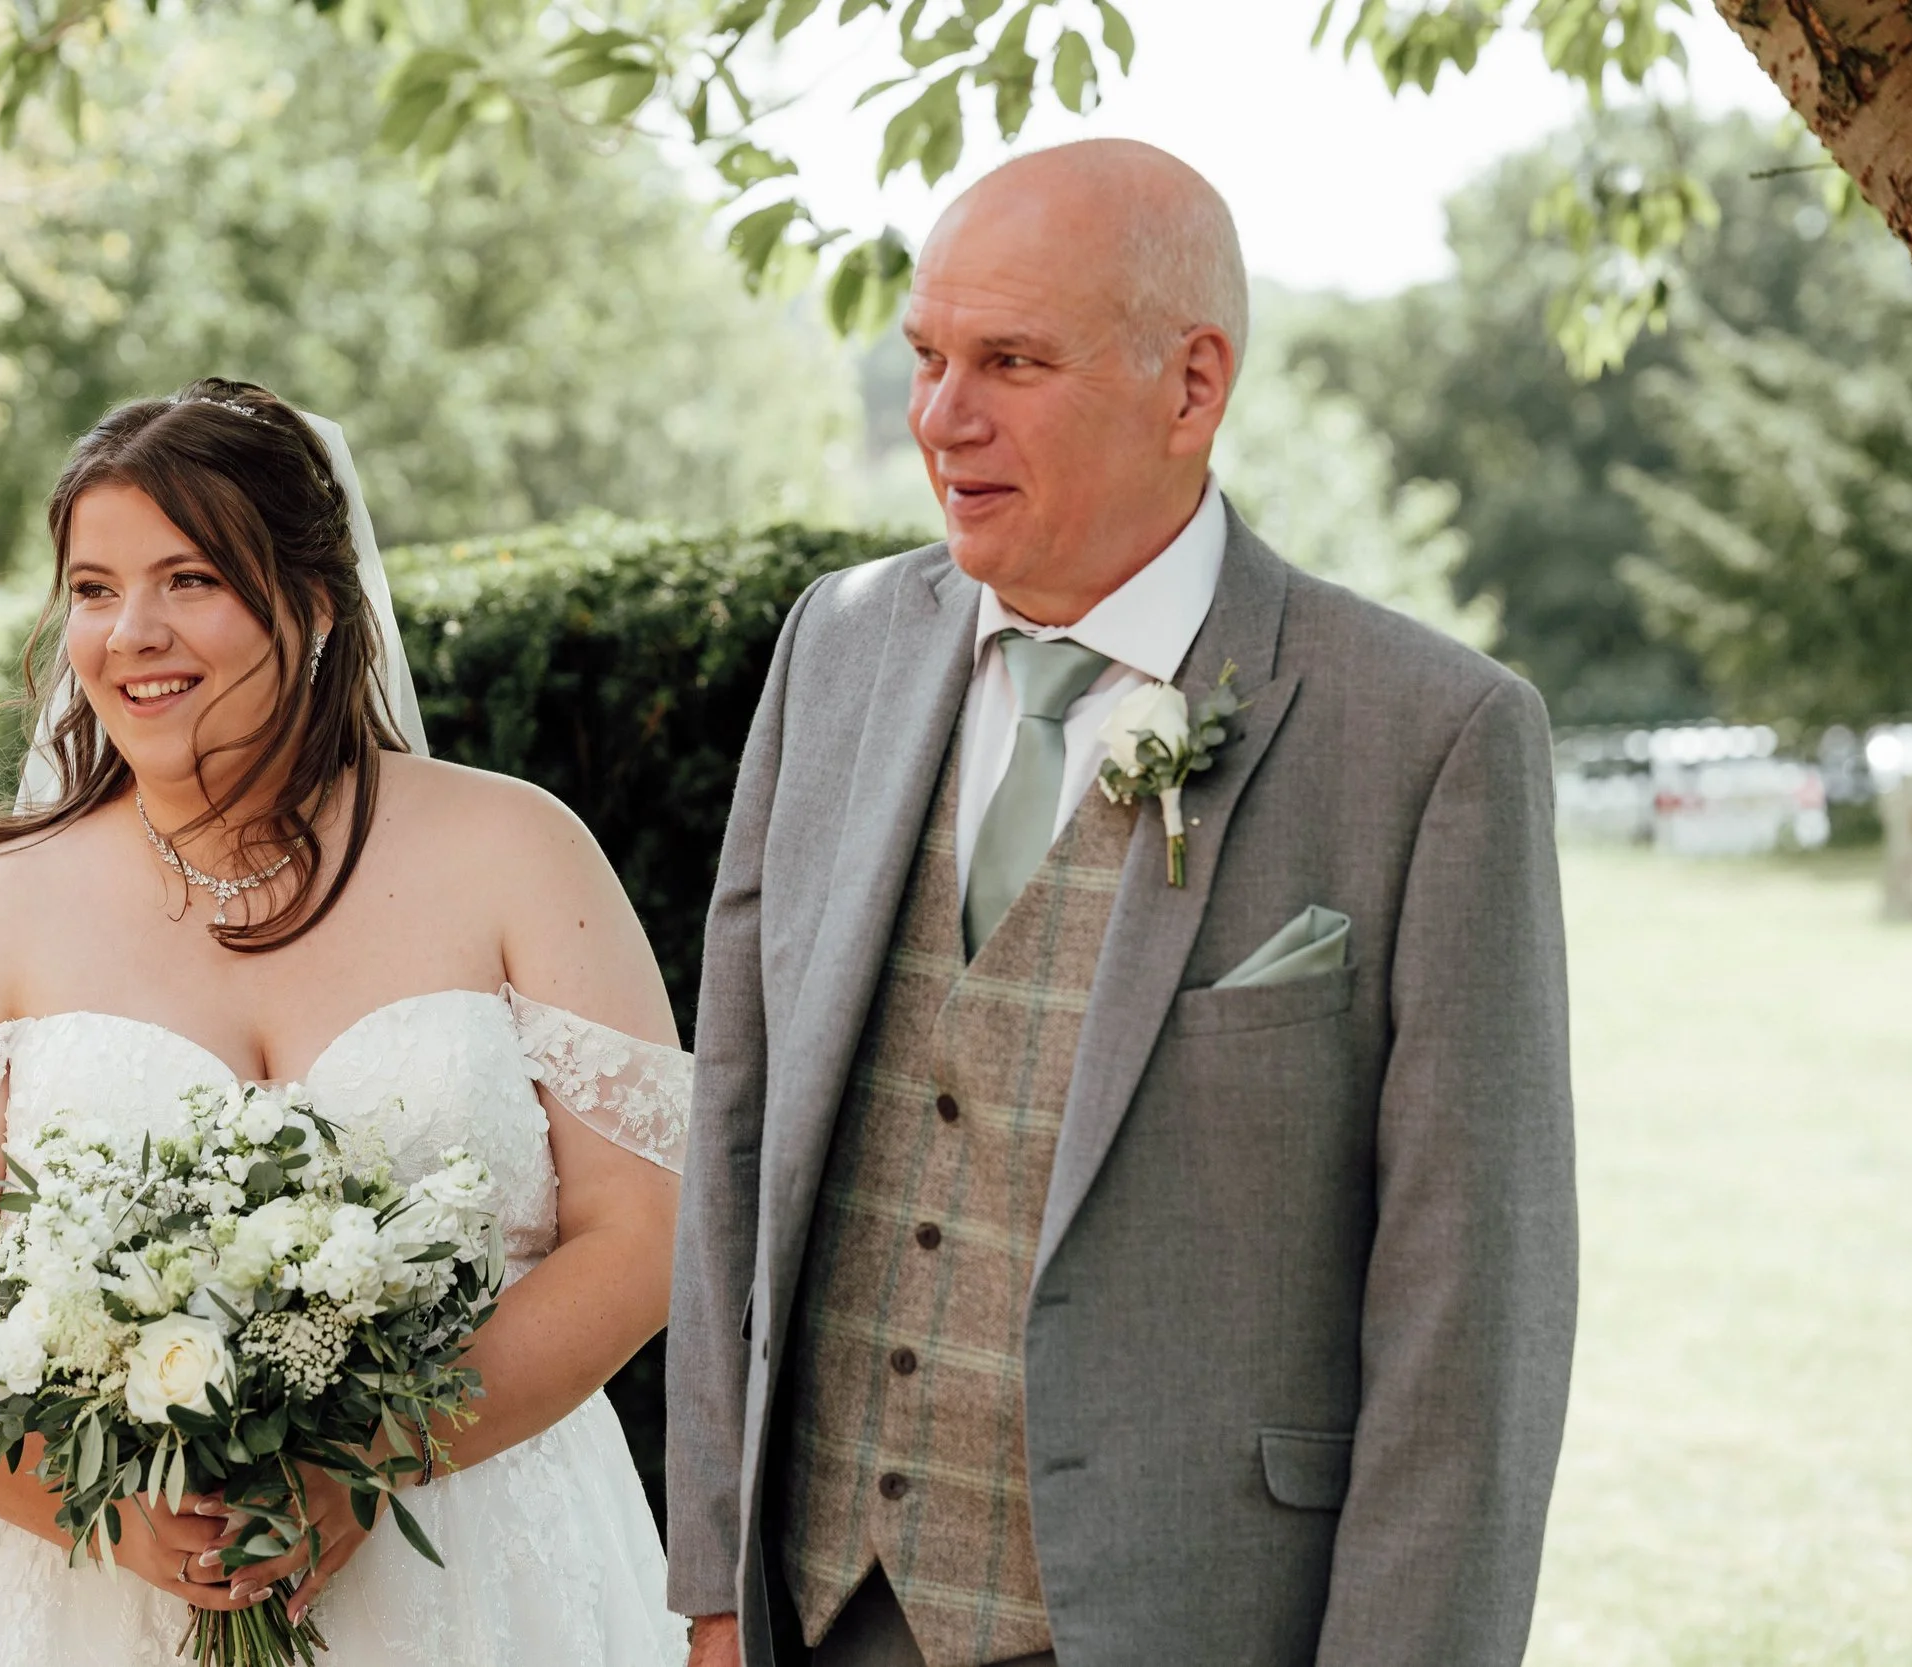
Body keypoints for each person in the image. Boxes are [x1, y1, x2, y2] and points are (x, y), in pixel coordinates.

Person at [666, 140, 1578, 1667]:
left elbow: (1471, 1323)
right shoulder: (839, 645)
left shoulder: (1428, 735)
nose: (942, 418)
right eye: (929, 357)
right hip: (820, 1614)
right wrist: (711, 1582)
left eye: (1010, 361)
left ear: (1192, 385)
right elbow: (734, 1134)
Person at [0, 378, 692, 1666]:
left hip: (480, 1560)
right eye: (95, 588)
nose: (132, 634)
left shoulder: (516, 850)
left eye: (191, 580)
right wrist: (110, 1509)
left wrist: (378, 1460)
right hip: (86, 1593)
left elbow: (646, 1227)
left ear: (319, 603)